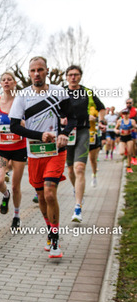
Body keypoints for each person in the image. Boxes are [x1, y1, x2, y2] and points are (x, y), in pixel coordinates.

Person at [9, 56, 77, 258]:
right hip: (35, 152)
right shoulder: (22, 95)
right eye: (33, 70)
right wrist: (40, 135)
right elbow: (14, 126)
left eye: (40, 69)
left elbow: (72, 118)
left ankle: (55, 238)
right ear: (29, 73)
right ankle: (50, 230)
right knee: (40, 196)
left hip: (56, 151)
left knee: (49, 193)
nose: (36, 73)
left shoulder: (59, 92)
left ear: (47, 71)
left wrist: (64, 133)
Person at [64, 65, 105, 222]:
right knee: (70, 170)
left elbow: (101, 108)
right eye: (70, 75)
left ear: (80, 76)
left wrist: (100, 120)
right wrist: (60, 118)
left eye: (76, 74)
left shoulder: (87, 92)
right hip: (67, 133)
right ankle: (77, 190)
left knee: (79, 168)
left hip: (83, 131)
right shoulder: (61, 92)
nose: (73, 77)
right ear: (66, 77)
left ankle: (78, 207)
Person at [0, 72, 27, 229]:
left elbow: (29, 122)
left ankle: (16, 216)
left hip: (19, 148)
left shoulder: (21, 101)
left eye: (9, 79)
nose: (6, 82)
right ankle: (6, 195)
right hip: (2, 148)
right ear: (1, 83)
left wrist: (23, 124)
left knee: (15, 185)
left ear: (14, 83)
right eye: (3, 80)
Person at [124, 97, 137, 165]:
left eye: (130, 103)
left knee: (134, 144)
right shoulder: (124, 111)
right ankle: (129, 158)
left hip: (134, 129)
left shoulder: (135, 110)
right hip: (126, 130)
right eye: (127, 103)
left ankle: (134, 157)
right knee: (127, 145)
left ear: (132, 103)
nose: (128, 104)